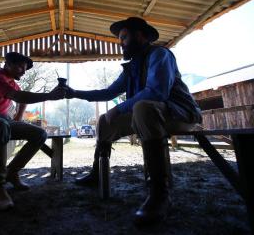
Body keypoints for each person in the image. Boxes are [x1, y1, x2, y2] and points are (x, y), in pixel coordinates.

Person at [66, 17, 202, 225]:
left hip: (180, 114)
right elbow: (108, 92)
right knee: (104, 120)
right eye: (120, 38)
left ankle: (159, 194)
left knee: (143, 106)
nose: (120, 42)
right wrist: (74, 92)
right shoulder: (131, 68)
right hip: (149, 115)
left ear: (140, 35)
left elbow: (156, 92)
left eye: (124, 37)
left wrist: (119, 108)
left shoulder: (160, 54)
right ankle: (97, 174)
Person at [0, 52, 66, 210]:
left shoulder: (12, 83)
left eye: (25, 68)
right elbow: (18, 97)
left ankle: (12, 172)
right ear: (7, 64)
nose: (23, 71)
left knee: (40, 134)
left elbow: (22, 100)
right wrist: (49, 95)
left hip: (3, 122)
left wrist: (18, 119)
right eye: (20, 66)